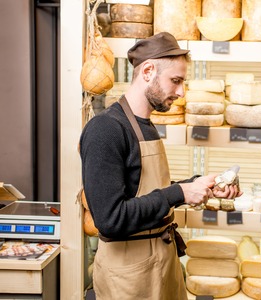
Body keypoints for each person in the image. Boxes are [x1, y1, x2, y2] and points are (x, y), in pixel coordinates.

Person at [79, 32, 240, 300]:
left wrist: (200, 185)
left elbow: (149, 192)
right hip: (128, 278)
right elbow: (109, 220)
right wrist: (179, 193)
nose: (181, 92)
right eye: (175, 81)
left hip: (162, 262)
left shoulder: (146, 124)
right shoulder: (105, 130)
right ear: (148, 71)